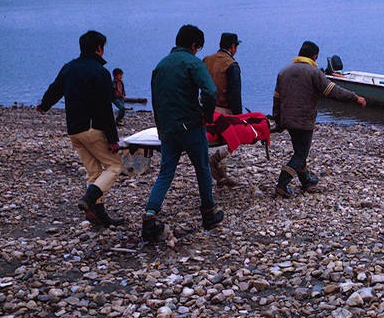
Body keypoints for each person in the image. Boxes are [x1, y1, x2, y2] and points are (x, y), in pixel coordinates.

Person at [142, 24, 224, 242]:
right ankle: (208, 213)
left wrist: (161, 128)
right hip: (190, 126)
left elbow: (156, 99)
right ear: (194, 45)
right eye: (199, 47)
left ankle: (149, 216)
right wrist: (206, 115)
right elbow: (210, 91)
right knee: (202, 168)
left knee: (166, 172)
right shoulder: (192, 62)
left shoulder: (161, 65)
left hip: (168, 128)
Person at [37, 30, 125, 227]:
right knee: (114, 166)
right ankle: (89, 198)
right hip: (92, 129)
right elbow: (104, 107)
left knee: (94, 172)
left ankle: (98, 216)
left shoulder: (69, 68)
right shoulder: (100, 73)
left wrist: (44, 106)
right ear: (99, 48)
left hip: (74, 131)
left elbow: (55, 89)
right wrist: (112, 138)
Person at [272, 40, 366, 197]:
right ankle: (282, 183)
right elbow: (333, 91)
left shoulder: (284, 71)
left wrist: (277, 119)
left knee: (299, 151)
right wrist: (355, 98)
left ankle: (306, 182)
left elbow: (276, 98)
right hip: (304, 121)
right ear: (314, 57)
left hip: (287, 119)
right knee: (301, 154)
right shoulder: (314, 73)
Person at [203, 32, 243, 187]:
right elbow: (235, 93)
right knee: (230, 140)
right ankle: (217, 167)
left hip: (207, 108)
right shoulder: (231, 64)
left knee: (215, 139)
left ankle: (221, 177)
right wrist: (238, 117)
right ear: (232, 47)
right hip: (224, 109)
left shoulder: (207, 60)